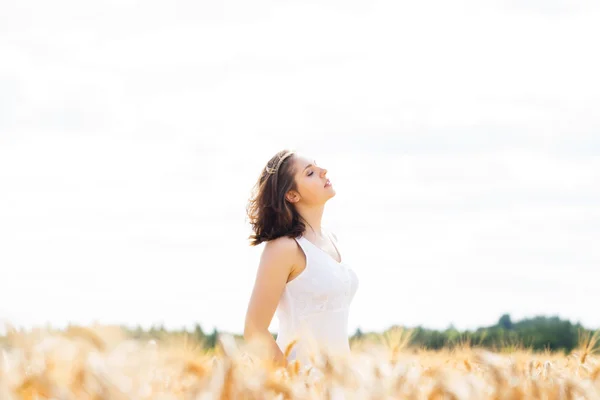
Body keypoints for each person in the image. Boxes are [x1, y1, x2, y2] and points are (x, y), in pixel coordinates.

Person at [243, 149, 359, 368]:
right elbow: (254, 329)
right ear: (292, 195)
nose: (323, 171)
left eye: (317, 167)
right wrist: (294, 382)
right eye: (310, 173)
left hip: (340, 384)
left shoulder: (332, 238)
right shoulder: (284, 248)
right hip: (303, 385)